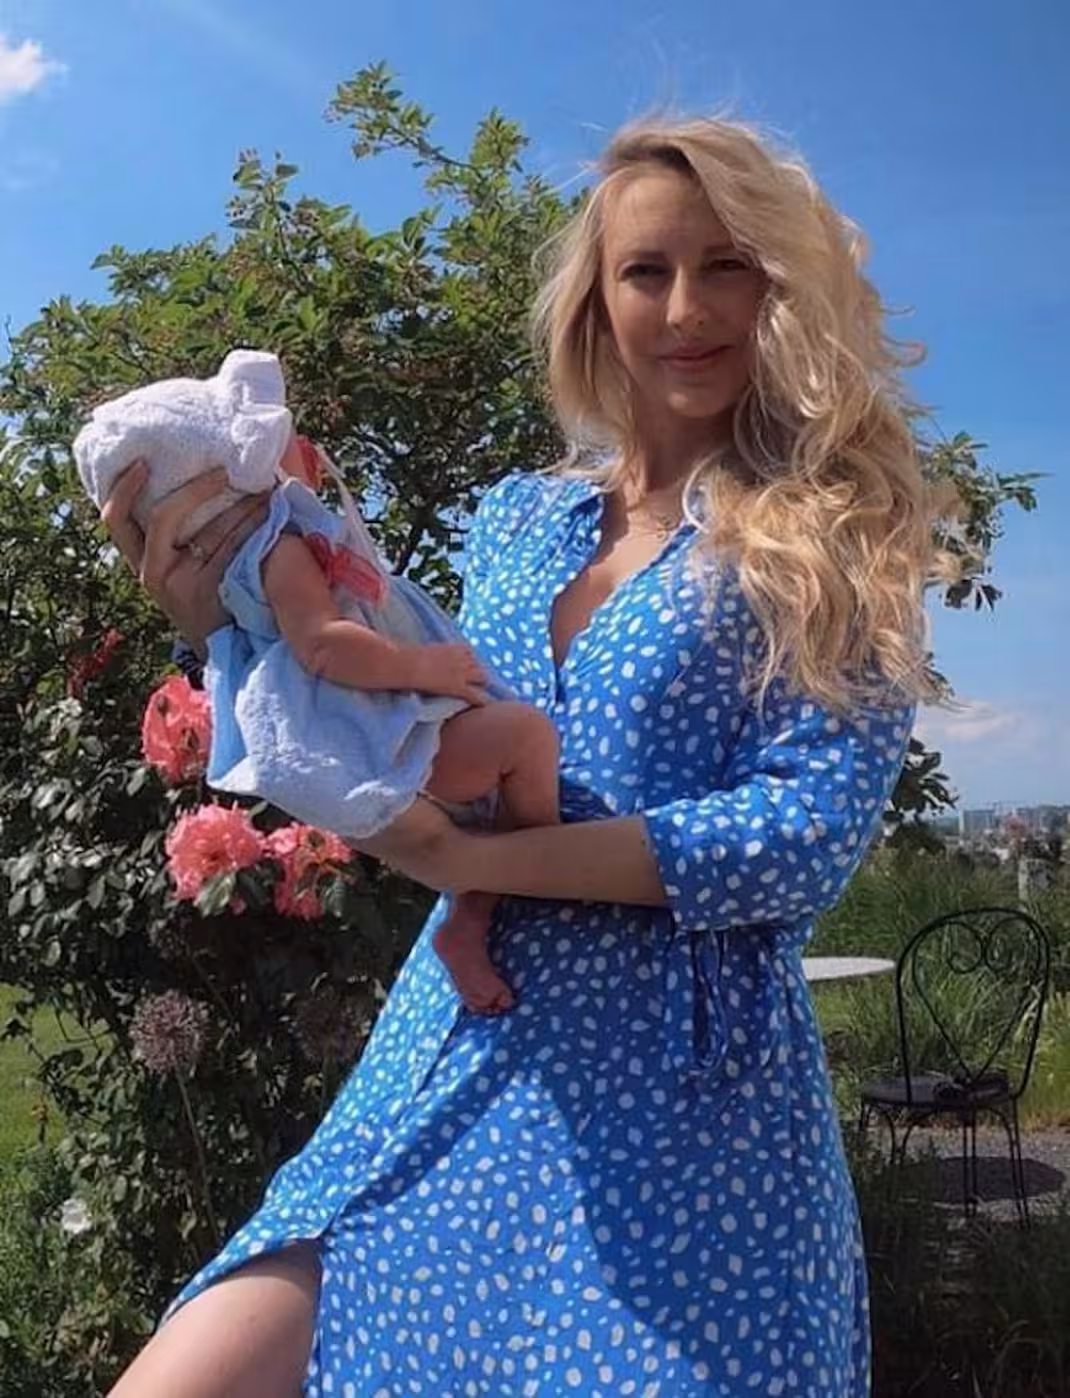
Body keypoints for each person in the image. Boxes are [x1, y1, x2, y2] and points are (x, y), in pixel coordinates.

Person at [101, 113, 944, 1398]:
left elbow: (799, 835)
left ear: (778, 287)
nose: (685, 308)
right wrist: (227, 616)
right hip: (455, 1044)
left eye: (725, 265)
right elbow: (401, 717)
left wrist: (473, 861)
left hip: (683, 1113)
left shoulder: (835, 529)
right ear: (596, 302)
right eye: (646, 271)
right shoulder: (519, 516)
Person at [75, 350, 560, 1014]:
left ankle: (473, 919)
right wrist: (423, 666)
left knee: (501, 786)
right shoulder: (278, 550)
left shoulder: (258, 560)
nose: (305, 447)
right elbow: (324, 646)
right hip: (391, 726)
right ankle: (545, 874)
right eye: (284, 436)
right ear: (240, 474)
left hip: (391, 722)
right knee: (527, 738)